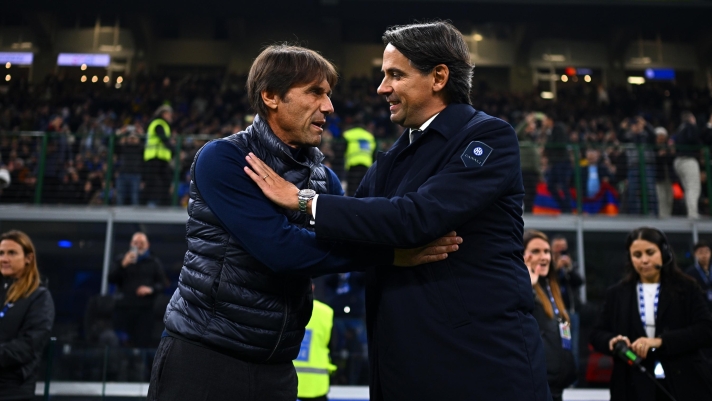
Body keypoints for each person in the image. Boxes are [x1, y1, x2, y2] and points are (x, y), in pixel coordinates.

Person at [245, 21, 549, 401]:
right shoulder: (395, 157)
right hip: (406, 368)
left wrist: (304, 200)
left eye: (395, 75)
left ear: (438, 77)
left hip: (481, 365)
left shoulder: (488, 137)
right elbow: (355, 224)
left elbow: (416, 218)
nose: (382, 88)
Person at [147, 44, 461, 401]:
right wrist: (388, 254)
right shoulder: (224, 159)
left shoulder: (323, 180)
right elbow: (281, 250)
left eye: (328, 95)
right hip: (204, 359)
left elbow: (356, 238)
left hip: (279, 368)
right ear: (270, 96)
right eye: (315, 92)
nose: (328, 107)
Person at [590, 227, 712, 401]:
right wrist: (613, 341)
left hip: (684, 383)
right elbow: (596, 334)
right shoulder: (617, 294)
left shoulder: (687, 288)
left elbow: (706, 330)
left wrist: (660, 341)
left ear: (664, 253)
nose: (644, 260)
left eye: (650, 252)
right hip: (632, 386)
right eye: (637, 255)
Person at [0, 230, 55, 401]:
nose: (4, 258)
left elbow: (30, 344)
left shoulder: (39, 297)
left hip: (13, 390)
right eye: (1, 253)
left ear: (28, 258)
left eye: (12, 253)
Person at [524, 230, 576, 401]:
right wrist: (526, 285)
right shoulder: (523, 290)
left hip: (558, 384)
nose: (544, 257)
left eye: (546, 251)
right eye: (535, 251)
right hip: (535, 383)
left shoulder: (553, 287)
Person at [108, 232, 168, 348]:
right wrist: (122, 265)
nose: (139, 245)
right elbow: (111, 279)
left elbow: (163, 284)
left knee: (142, 345)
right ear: (131, 244)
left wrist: (150, 289)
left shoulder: (154, 262)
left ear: (148, 245)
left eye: (142, 243)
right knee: (121, 345)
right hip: (123, 310)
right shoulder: (121, 259)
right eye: (136, 243)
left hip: (145, 311)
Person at [294, 284, 336, 401]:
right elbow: (333, 347)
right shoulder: (326, 312)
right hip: (317, 385)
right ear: (312, 287)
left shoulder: (286, 307)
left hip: (286, 381)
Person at [672, 111, 701, 218]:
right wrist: (699, 147)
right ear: (691, 118)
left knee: (688, 188)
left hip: (678, 161)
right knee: (693, 188)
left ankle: (691, 212)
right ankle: (693, 214)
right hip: (687, 160)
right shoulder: (690, 126)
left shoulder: (680, 128)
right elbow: (693, 139)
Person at [143, 105, 174, 206]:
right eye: (169, 114)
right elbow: (163, 139)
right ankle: (149, 205)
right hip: (155, 157)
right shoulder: (158, 123)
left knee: (164, 182)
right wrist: (175, 150)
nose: (171, 117)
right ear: (163, 114)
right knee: (155, 184)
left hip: (160, 158)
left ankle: (161, 204)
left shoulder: (162, 124)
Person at [342, 116, 376, 197]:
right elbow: (374, 154)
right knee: (363, 190)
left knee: (352, 189)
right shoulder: (370, 136)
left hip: (352, 165)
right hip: (366, 166)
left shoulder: (348, 134)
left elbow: (341, 150)